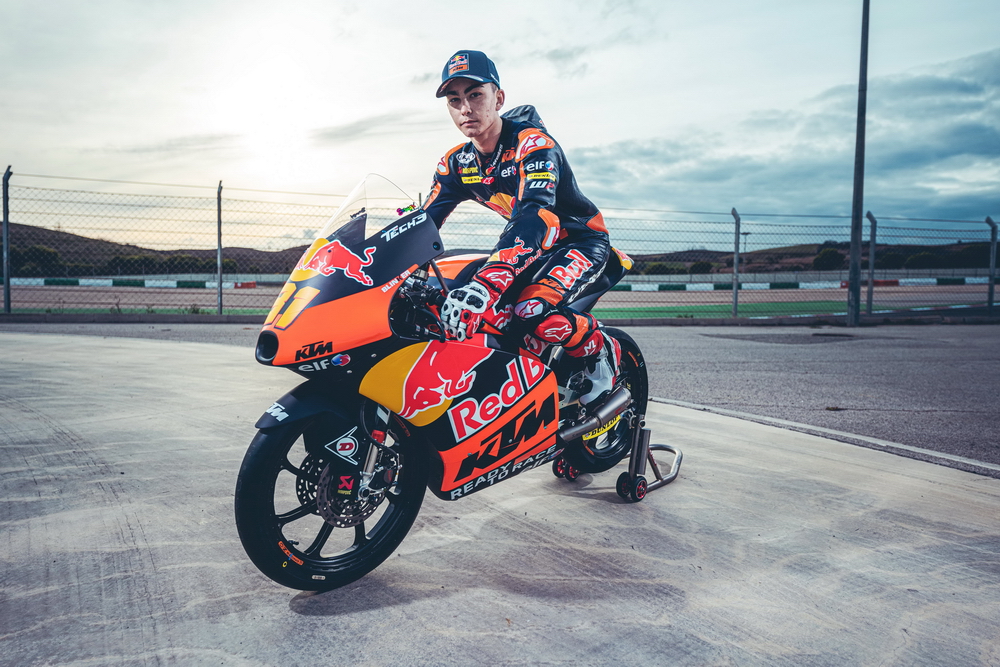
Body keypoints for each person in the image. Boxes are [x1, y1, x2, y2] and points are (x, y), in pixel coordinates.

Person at [423, 50, 622, 406]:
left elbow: (535, 214)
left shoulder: (533, 144)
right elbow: (422, 223)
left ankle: (598, 351)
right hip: (532, 250)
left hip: (579, 242)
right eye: (454, 100)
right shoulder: (455, 163)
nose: (465, 108)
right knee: (452, 299)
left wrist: (486, 284)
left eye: (475, 95)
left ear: (498, 98)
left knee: (531, 311)